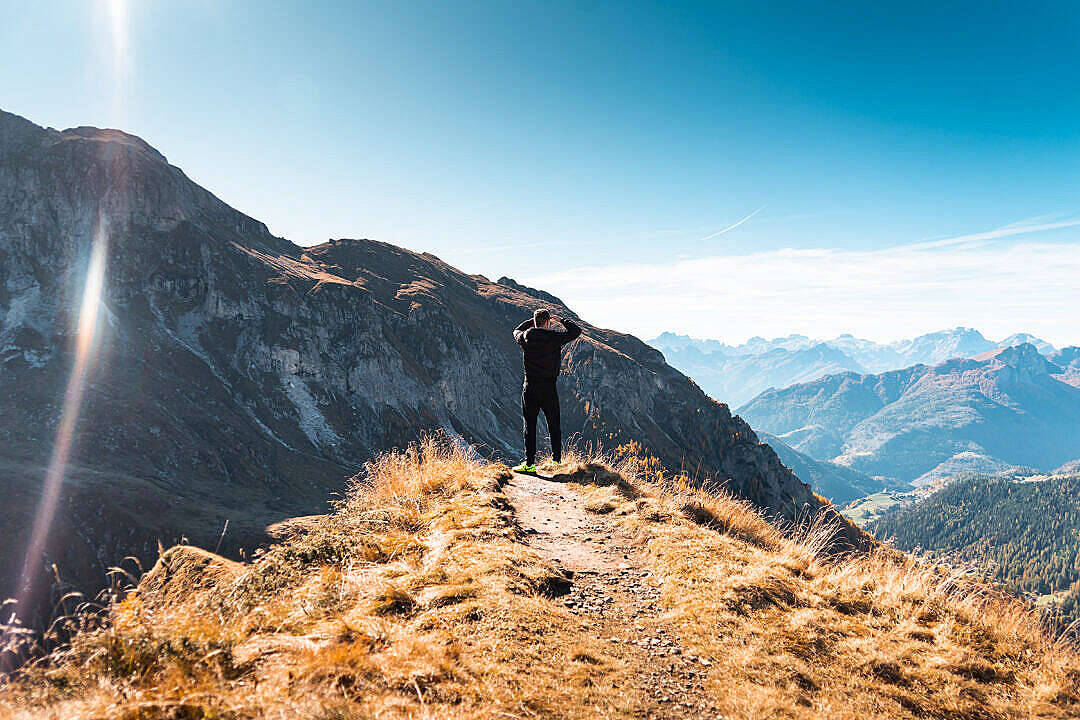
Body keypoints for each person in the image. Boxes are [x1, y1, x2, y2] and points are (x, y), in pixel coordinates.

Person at [511, 308, 582, 473]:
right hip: (549, 387)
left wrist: (532, 322)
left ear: (535, 322)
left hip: (530, 387)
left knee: (530, 425)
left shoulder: (525, 337)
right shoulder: (554, 338)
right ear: (548, 322)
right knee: (554, 424)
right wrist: (560, 319)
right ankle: (556, 461)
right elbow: (576, 331)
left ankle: (530, 464)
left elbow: (516, 330)